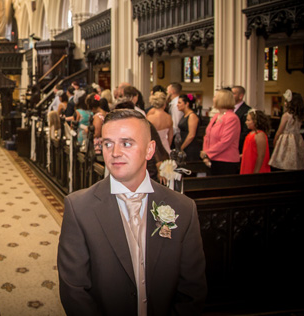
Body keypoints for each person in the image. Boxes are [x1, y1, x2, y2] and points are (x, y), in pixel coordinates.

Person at [57, 109, 207, 315]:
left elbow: (192, 290)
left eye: (126, 143)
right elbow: (74, 291)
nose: (115, 152)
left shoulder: (183, 208)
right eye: (108, 143)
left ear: (149, 149)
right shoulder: (79, 208)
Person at [201, 89, 241, 175]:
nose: (213, 99)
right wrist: (205, 155)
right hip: (212, 159)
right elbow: (207, 136)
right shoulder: (216, 116)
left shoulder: (232, 118)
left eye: (215, 97)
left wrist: (208, 153)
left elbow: (225, 141)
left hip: (226, 161)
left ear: (222, 99)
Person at [269, 90, 304, 171]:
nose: (284, 103)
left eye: (286, 101)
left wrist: (275, 140)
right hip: (297, 139)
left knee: (284, 161)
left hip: (286, 140)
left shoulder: (286, 115)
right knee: (295, 161)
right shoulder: (299, 115)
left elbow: (279, 130)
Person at [240, 109, 271, 174]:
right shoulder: (250, 134)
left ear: (256, 121)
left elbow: (261, 155)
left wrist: (256, 171)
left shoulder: (260, 135)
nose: (246, 122)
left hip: (255, 167)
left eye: (248, 120)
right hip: (248, 165)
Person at [176, 93, 201, 161]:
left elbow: (191, 135)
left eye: (179, 103)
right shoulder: (184, 115)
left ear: (186, 104)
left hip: (190, 147)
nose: (177, 105)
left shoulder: (192, 116)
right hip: (185, 146)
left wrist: (182, 147)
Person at [232, 85, 251, 153]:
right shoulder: (229, 109)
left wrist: (232, 143)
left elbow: (245, 131)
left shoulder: (247, 110)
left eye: (233, 94)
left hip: (239, 147)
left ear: (241, 96)